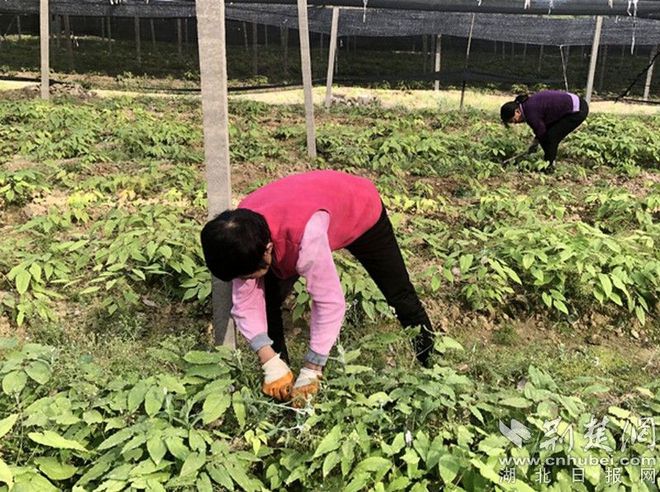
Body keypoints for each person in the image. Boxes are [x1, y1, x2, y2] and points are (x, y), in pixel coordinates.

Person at [200, 170, 434, 405]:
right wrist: (268, 359)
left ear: (268, 249)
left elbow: (329, 302)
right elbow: (246, 302)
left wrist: (313, 367)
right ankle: (282, 387)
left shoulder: (306, 237)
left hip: (359, 207)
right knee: (268, 300)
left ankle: (431, 366)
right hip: (308, 205)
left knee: (399, 293)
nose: (246, 280)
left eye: (250, 275)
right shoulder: (239, 234)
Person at [500, 90, 589, 172]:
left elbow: (542, 135)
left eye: (513, 120)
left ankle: (549, 165)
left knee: (551, 137)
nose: (516, 123)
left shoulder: (530, 113)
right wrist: (535, 143)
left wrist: (536, 146)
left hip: (577, 110)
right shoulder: (527, 106)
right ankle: (549, 161)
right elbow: (541, 129)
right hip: (571, 105)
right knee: (548, 135)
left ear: (517, 112)